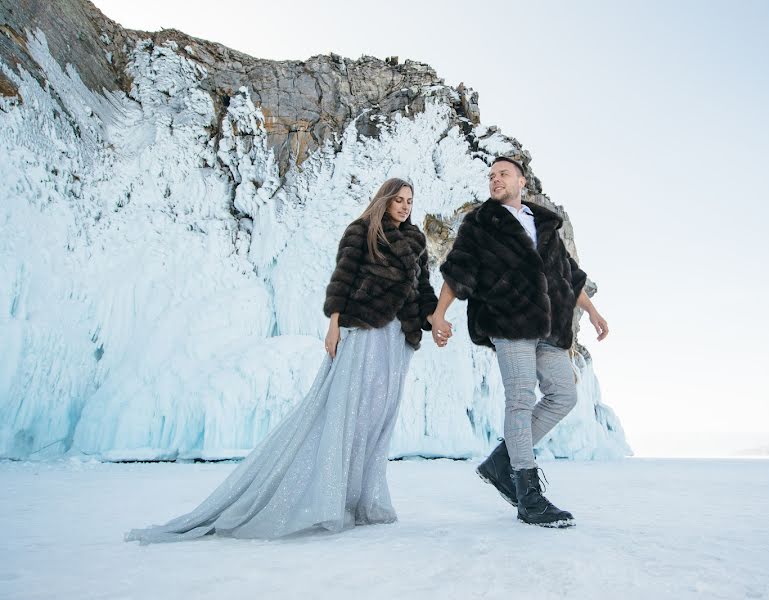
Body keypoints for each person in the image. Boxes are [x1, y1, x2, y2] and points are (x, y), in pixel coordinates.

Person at [126, 178, 439, 543]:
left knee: (376, 419)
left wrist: (435, 320)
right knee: (344, 412)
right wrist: (334, 325)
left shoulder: (416, 242)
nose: (404, 206)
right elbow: (343, 280)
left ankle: (361, 501)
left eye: (409, 201)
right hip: (365, 329)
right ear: (384, 201)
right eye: (398, 200)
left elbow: (424, 291)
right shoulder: (362, 232)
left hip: (397, 337)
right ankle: (327, 500)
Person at [430, 156, 609, 528]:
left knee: (564, 393)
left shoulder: (543, 224)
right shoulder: (480, 223)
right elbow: (459, 271)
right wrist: (439, 314)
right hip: (507, 320)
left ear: (521, 180)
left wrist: (591, 311)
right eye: (491, 175)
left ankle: (501, 462)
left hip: (550, 327)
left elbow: (569, 275)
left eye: (503, 174)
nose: (495, 180)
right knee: (521, 399)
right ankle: (528, 496)